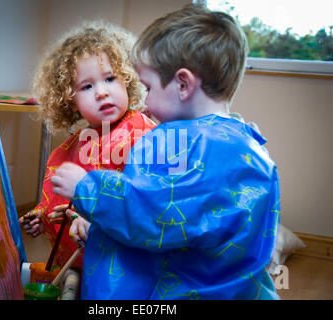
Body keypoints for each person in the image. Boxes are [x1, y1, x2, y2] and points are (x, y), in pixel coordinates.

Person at [51, 3, 280, 300]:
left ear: (183, 84)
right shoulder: (251, 146)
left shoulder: (173, 142)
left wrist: (86, 189)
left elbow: (154, 214)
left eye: (148, 87)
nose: (144, 101)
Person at [19, 20, 156, 274]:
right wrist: (41, 215)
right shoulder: (69, 148)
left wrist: (95, 215)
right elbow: (59, 197)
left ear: (127, 79)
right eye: (87, 86)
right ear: (70, 101)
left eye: (110, 79)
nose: (102, 92)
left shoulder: (144, 134)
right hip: (78, 266)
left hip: (121, 270)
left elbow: (145, 202)